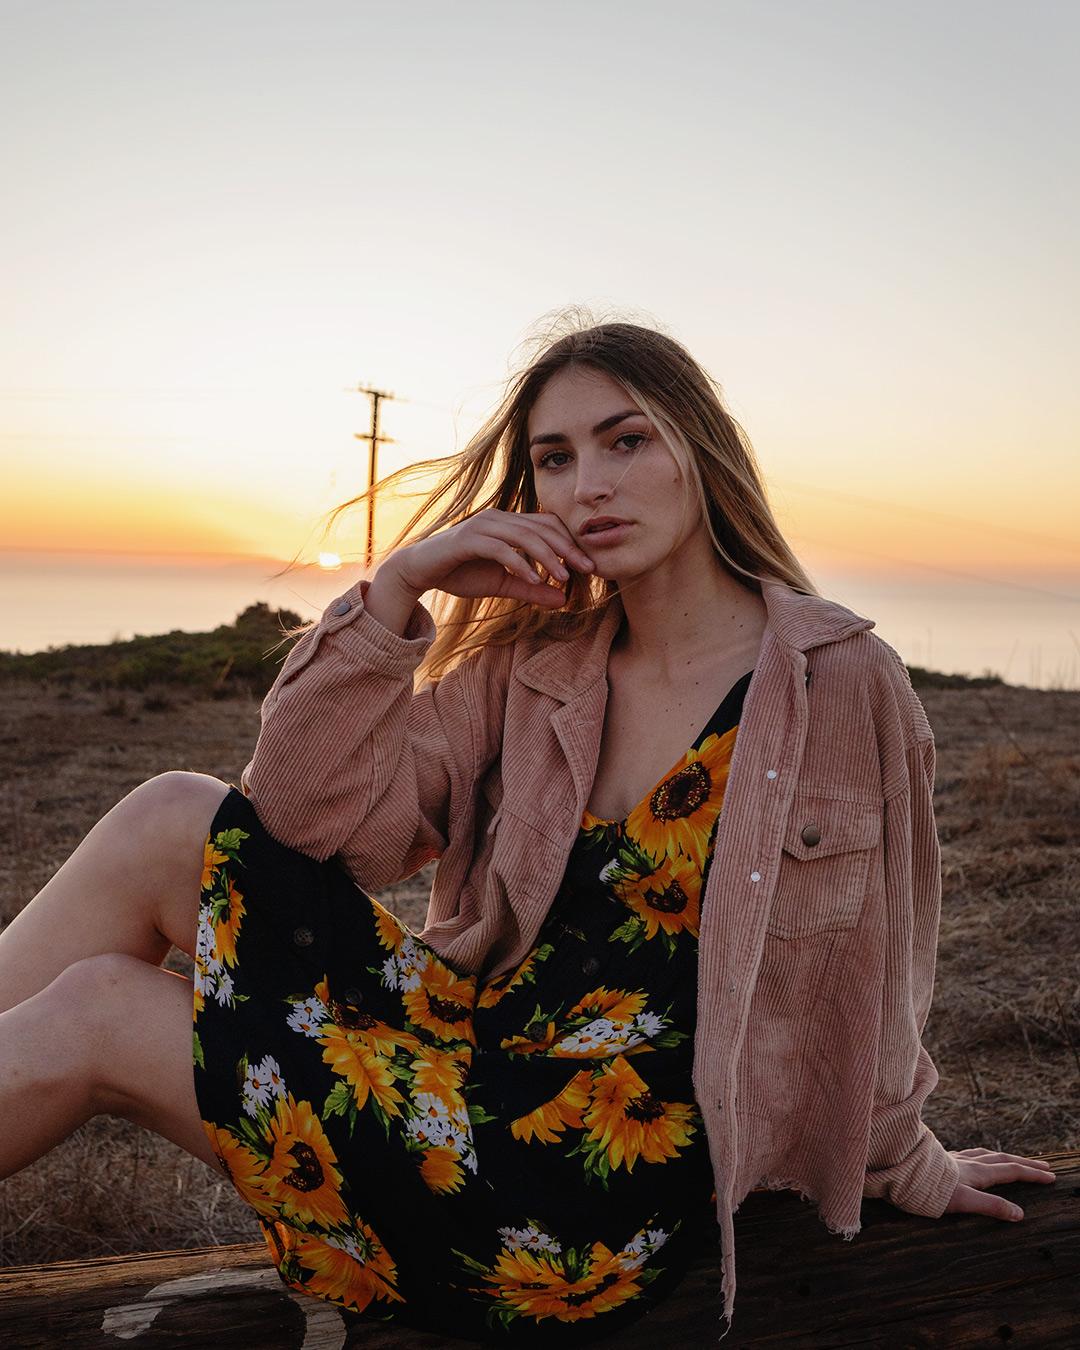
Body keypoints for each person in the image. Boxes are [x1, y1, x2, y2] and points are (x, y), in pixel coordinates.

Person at [0, 315, 1055, 1343]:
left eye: (626, 440)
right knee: (172, 812)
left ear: (701, 453)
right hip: (466, 1053)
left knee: (99, 1010)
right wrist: (398, 591)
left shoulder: (836, 679)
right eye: (554, 459)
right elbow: (313, 826)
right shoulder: (529, 664)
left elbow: (887, 959)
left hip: (577, 1182)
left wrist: (904, 1156)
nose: (588, 484)